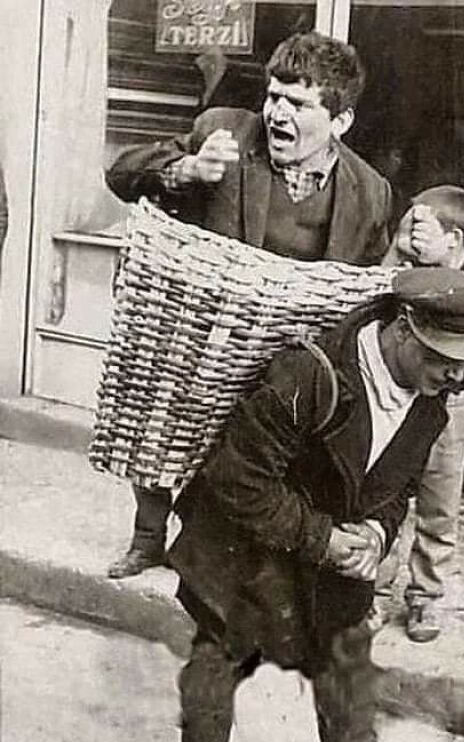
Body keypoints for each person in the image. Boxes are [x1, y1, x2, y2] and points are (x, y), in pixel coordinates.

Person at [168, 266, 464, 742]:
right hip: (245, 536)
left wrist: (377, 533)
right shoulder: (311, 374)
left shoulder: (431, 402)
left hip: (335, 545)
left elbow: (397, 488)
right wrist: (323, 539)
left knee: (347, 658)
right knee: (221, 649)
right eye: (443, 357)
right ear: (405, 328)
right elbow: (238, 479)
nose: (456, 374)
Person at [104, 32, 393, 579]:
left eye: (299, 104)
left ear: (341, 121)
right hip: (207, 332)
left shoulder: (371, 191)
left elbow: (365, 287)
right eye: (274, 95)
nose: (277, 112)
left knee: (252, 455)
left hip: (291, 351)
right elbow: (120, 173)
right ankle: (148, 537)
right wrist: (183, 171)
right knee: (165, 423)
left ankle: (220, 549)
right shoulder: (223, 130)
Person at [377, 186, 464, 642]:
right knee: (383, 492)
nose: (411, 234)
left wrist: (452, 375)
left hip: (449, 404)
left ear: (454, 237)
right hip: (400, 396)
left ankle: (425, 599)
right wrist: (396, 252)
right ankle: (372, 593)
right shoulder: (410, 272)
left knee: (439, 504)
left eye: (421, 227)